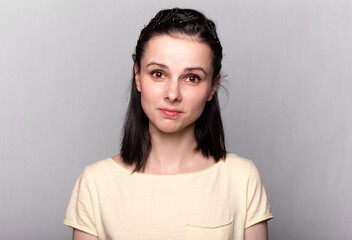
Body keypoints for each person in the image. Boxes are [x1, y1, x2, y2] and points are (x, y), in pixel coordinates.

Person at [63, 7, 273, 240]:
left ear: (213, 86)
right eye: (158, 74)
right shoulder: (96, 184)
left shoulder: (242, 178)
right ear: (137, 76)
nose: (172, 94)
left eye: (191, 78)